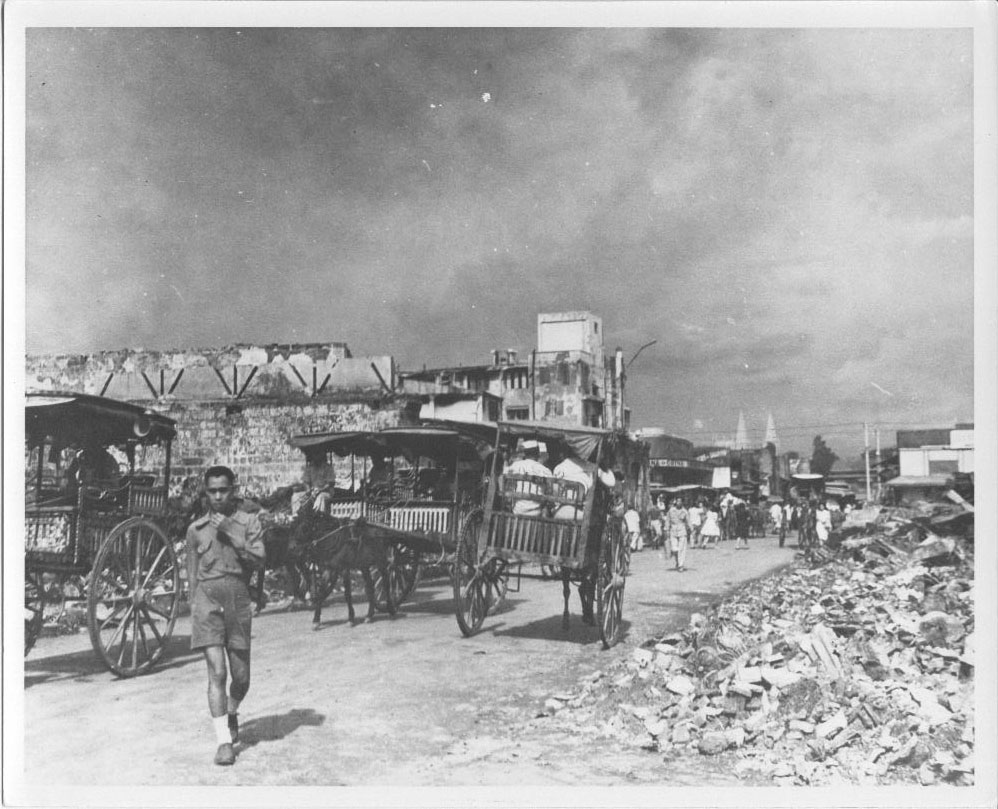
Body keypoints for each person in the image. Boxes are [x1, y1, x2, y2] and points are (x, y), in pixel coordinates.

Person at [186, 466, 266, 766]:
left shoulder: (249, 522)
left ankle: (232, 712)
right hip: (207, 601)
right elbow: (192, 572)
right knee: (217, 672)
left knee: (241, 677)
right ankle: (223, 742)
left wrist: (232, 532)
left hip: (238, 598)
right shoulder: (196, 529)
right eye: (212, 491)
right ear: (205, 493)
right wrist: (195, 603)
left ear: (233, 489)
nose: (218, 496)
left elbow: (259, 559)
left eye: (223, 490)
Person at [504, 439, 552, 515]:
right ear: (538, 453)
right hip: (537, 512)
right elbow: (550, 491)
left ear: (524, 453)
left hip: (517, 510)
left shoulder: (516, 465)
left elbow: (505, 477)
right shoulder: (546, 471)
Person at [665, 498, 690, 571]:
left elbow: (688, 521)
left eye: (680, 501)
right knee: (674, 549)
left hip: (682, 530)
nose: (678, 503)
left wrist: (691, 529)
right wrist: (666, 529)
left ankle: (681, 565)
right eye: (677, 501)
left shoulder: (684, 511)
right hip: (673, 531)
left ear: (682, 502)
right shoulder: (671, 510)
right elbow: (667, 520)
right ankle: (677, 562)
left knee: (681, 549)